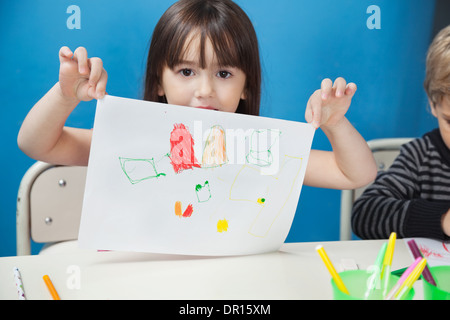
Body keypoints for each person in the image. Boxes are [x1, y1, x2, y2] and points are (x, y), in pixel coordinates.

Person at [17, 0, 376, 190]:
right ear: (159, 81)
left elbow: (355, 175)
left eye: (223, 73)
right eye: (186, 72)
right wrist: (65, 96)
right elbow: (37, 144)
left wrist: (336, 124)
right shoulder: (134, 142)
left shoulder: (258, 149)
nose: (205, 91)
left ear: (247, 85)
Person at [352, 25, 450, 241]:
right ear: (433, 105)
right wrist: (442, 220)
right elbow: (365, 214)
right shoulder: (420, 157)